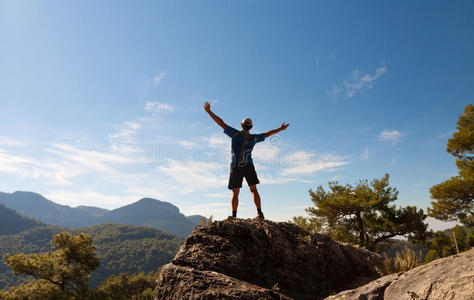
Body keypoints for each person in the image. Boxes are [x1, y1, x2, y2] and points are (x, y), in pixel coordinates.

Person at [203, 101, 289, 219]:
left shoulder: (235, 134)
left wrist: (209, 112)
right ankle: (260, 213)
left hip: (236, 165)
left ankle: (234, 216)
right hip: (249, 165)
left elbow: (221, 123)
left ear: (241, 125)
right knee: (253, 189)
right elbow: (268, 134)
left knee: (235, 192)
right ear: (251, 127)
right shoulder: (254, 138)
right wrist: (280, 129)